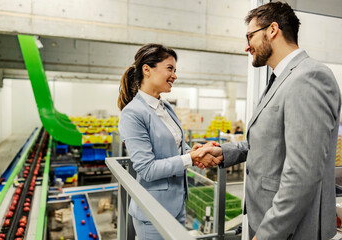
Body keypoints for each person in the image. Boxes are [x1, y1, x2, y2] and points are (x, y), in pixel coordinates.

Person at [199, 2, 341, 239]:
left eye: (250, 36)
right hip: (266, 215)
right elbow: (271, 142)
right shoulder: (281, 78)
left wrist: (267, 234)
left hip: (290, 229)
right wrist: (223, 152)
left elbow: (302, 173)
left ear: (273, 29)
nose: (247, 46)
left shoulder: (309, 77)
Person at [117, 43, 221, 240]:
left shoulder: (165, 108)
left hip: (177, 204)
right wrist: (190, 158)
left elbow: (176, 146)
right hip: (152, 211)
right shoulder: (133, 113)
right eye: (170, 68)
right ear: (147, 70)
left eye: (175, 70)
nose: (175, 75)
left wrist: (198, 150)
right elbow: (146, 169)